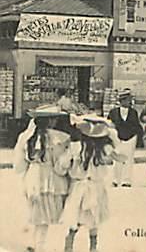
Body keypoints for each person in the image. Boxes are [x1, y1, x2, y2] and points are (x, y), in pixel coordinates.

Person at [58, 119, 124, 252]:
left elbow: (63, 164)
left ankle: (69, 244)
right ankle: (93, 247)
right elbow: (122, 157)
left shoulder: (75, 147)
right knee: (94, 216)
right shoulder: (104, 148)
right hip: (96, 186)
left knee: (75, 216)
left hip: (79, 186)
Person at [13, 105, 71, 252]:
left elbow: (19, 166)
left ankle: (34, 243)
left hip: (32, 178)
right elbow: (60, 167)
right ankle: (41, 246)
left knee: (36, 214)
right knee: (48, 217)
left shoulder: (25, 137)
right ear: (51, 120)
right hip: (52, 180)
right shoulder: (61, 138)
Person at [107, 89, 142, 187]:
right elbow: (109, 124)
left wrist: (136, 137)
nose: (129, 102)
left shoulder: (133, 112)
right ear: (121, 101)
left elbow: (136, 125)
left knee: (129, 159)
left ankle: (126, 180)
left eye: (129, 100)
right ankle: (116, 179)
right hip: (117, 138)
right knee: (117, 159)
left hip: (131, 138)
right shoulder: (113, 112)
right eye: (127, 100)